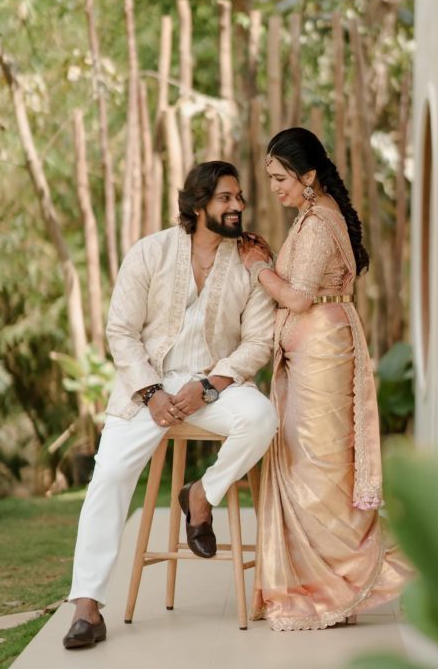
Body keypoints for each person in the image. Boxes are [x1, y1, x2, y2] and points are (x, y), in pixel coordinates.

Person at [63, 161, 278, 649]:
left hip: (214, 386)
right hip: (148, 389)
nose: (238, 206)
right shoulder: (151, 251)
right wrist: (150, 392)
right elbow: (121, 331)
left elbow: (259, 341)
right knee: (109, 477)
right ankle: (87, 608)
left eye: (239, 197)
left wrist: (209, 386)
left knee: (262, 418)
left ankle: (200, 496)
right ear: (199, 205)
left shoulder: (249, 260)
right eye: (226, 198)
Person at [238, 128, 409, 631]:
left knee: (317, 467)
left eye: (281, 178)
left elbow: (297, 297)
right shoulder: (315, 218)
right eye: (271, 178)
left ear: (308, 176)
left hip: (322, 355)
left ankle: (334, 586)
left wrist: (259, 266)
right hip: (317, 349)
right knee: (314, 462)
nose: (275, 187)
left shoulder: (317, 223)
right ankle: (328, 584)